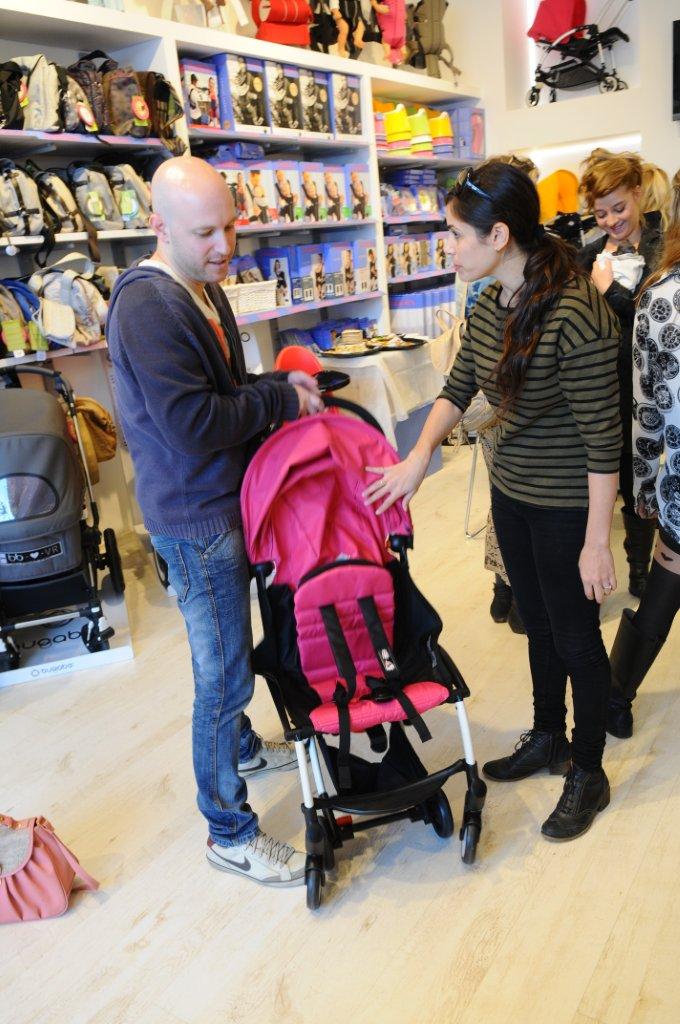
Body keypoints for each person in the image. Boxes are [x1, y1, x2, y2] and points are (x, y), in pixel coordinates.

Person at [364, 161, 622, 841]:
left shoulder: (577, 312)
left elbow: (604, 439)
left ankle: (588, 769)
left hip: (567, 502)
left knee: (576, 635)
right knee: (535, 622)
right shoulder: (489, 302)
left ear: (499, 235)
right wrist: (417, 459)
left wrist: (598, 541)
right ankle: (548, 735)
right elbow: (458, 387)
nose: (447, 248)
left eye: (455, 234)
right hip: (512, 492)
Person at [106, 157, 324, 887]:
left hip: (227, 501)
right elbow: (195, 423)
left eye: (230, 226)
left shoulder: (202, 288)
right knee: (223, 676)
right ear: (159, 227)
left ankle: (241, 748)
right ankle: (228, 832)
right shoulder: (149, 306)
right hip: (195, 520)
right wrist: (279, 401)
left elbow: (226, 389)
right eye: (205, 232)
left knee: (231, 654)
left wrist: (278, 384)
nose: (224, 245)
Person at [607, 168, 680, 738]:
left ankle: (615, 698)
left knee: (663, 589)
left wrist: (644, 492)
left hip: (677, 487)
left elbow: (646, 412)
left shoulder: (658, 297)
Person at [578, 152, 663, 597]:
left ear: (637, 194)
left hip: (645, 385)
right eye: (601, 213)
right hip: (598, 387)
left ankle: (639, 568)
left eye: (619, 208)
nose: (611, 221)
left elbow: (651, 322)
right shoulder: (586, 257)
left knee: (636, 480)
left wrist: (608, 291)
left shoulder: (664, 249)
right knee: (598, 475)